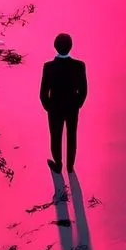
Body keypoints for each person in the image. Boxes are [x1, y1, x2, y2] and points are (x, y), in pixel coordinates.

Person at [39, 33, 87, 174]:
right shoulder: (79, 66)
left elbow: (43, 91)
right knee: (72, 136)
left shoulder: (48, 67)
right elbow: (83, 89)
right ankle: (70, 166)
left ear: (55, 47)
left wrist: (48, 106)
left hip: (55, 107)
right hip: (72, 106)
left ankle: (58, 164)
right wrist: (77, 103)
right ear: (70, 46)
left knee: (55, 136)